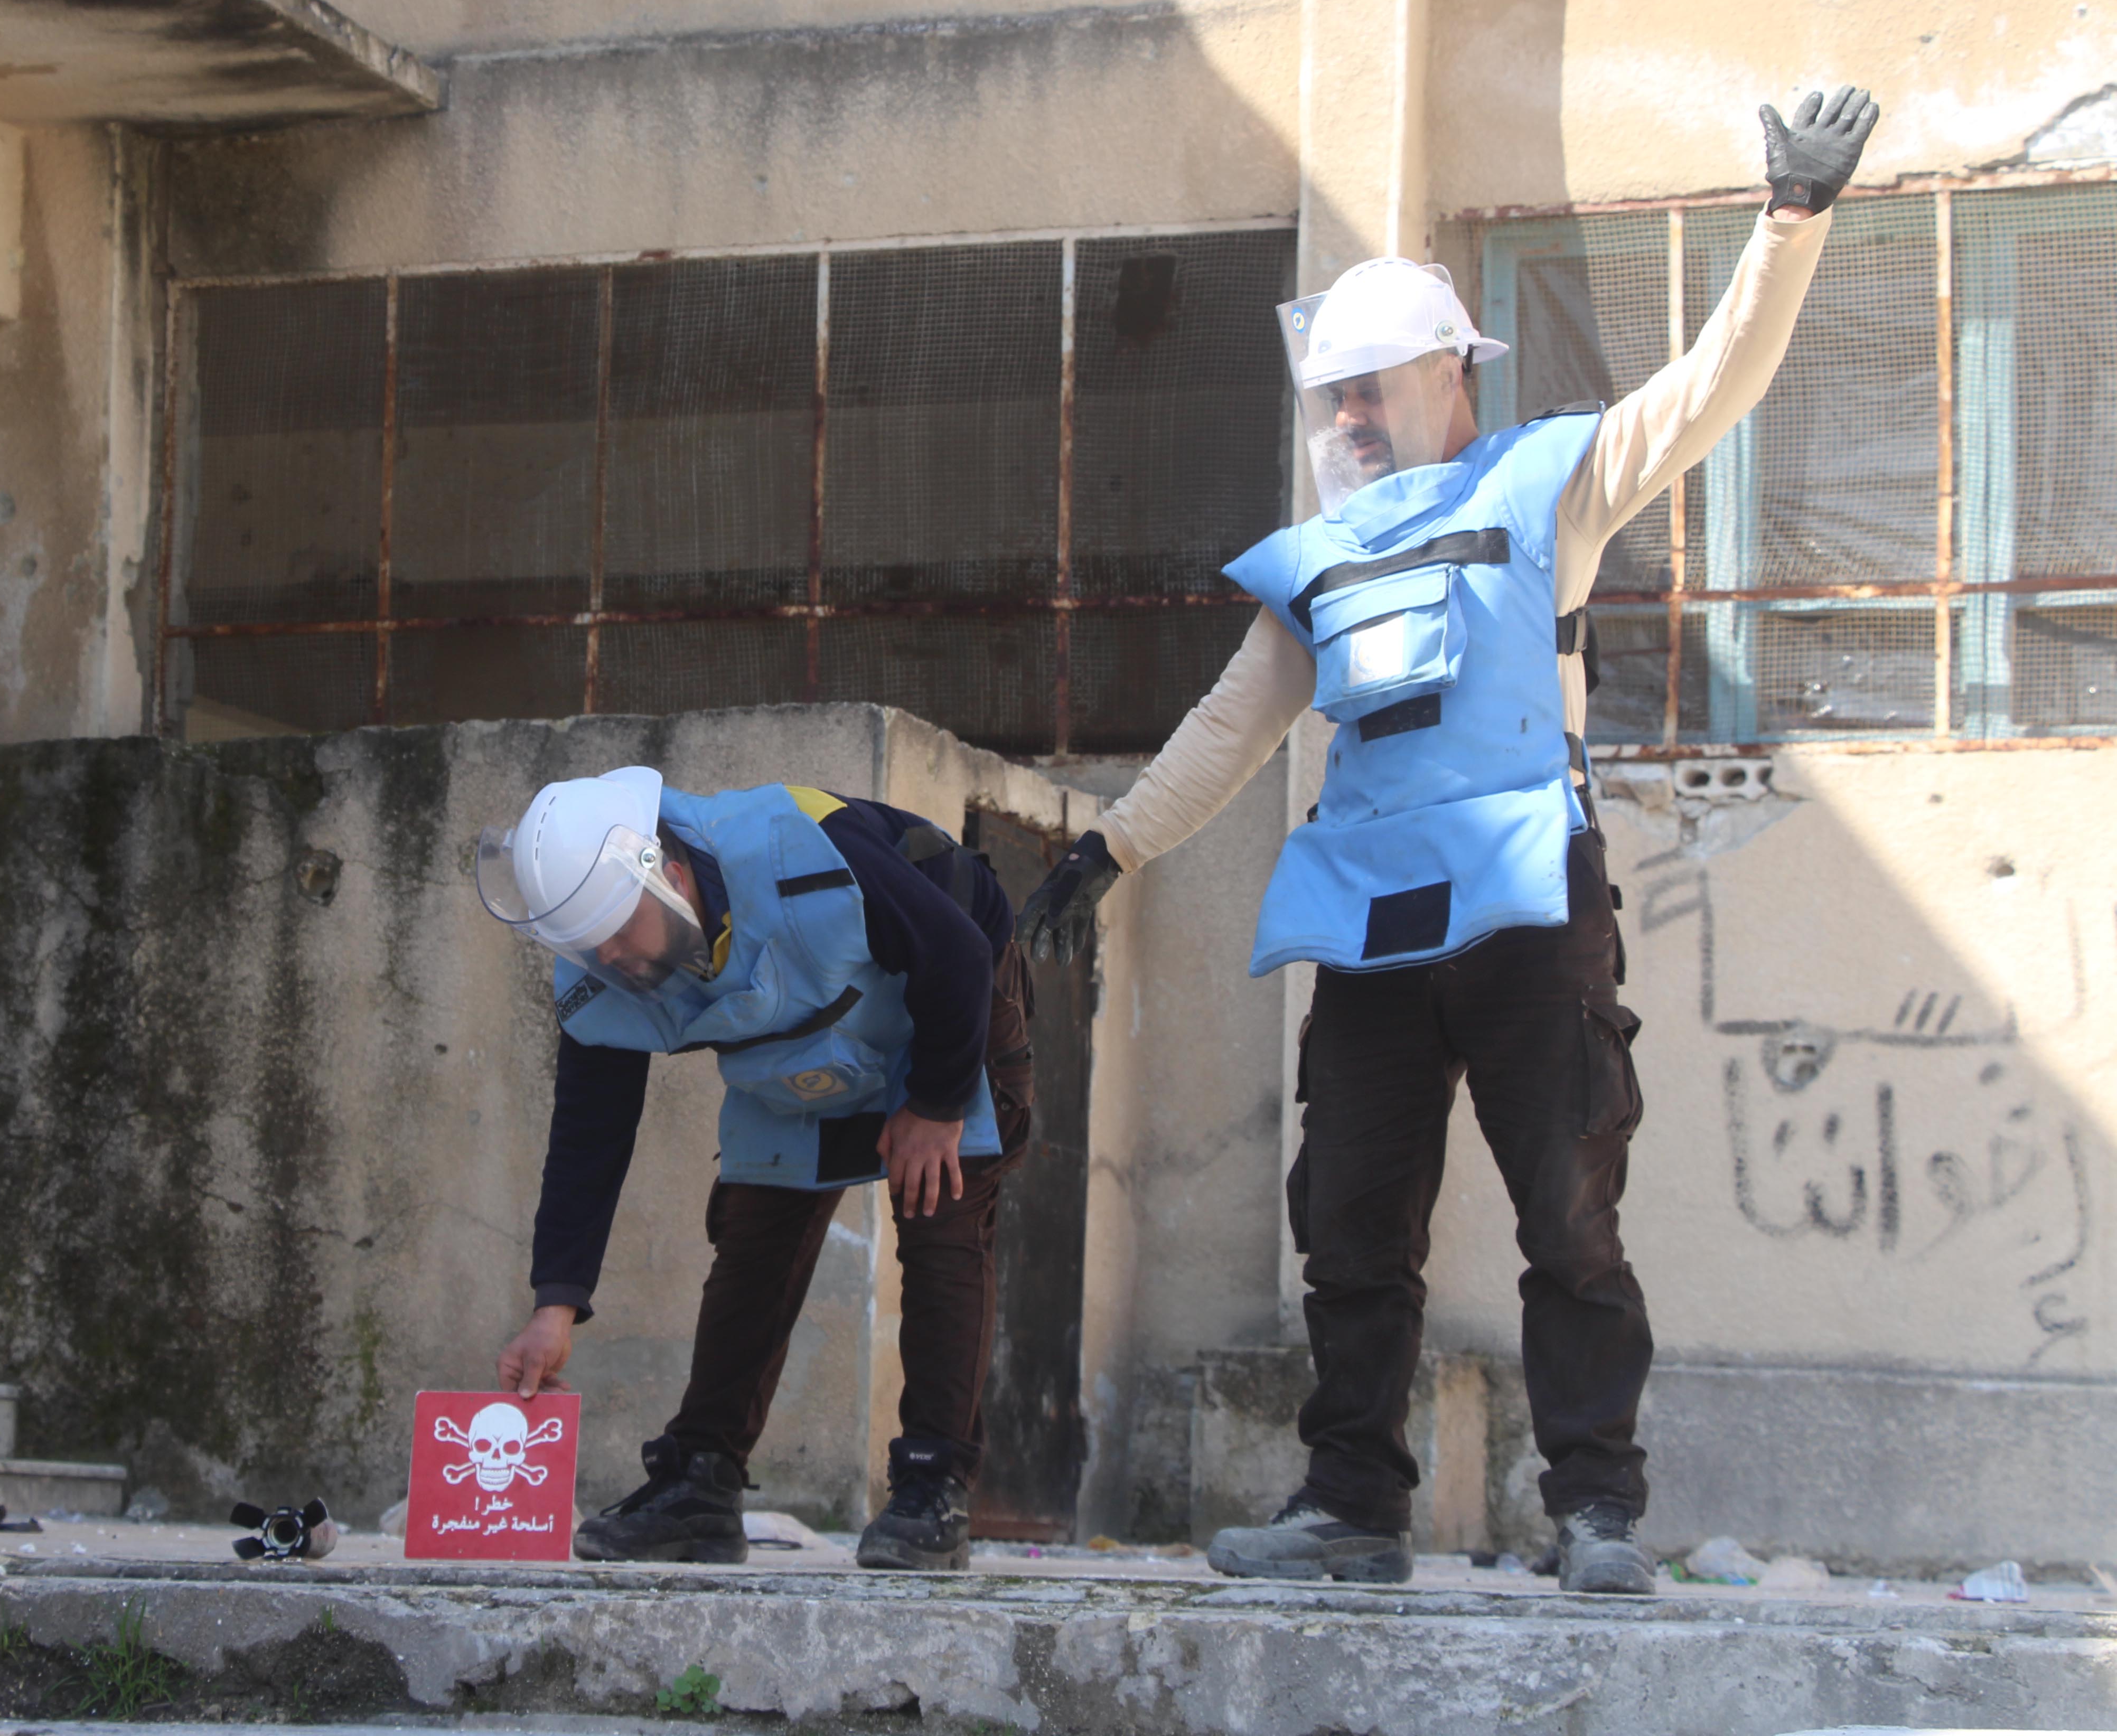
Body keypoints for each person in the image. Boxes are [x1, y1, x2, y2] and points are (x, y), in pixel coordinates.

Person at [1015, 88, 1882, 1594]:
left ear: (1447, 378)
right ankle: (1352, 1509)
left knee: (1571, 1215)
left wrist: (1789, 224)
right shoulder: (1322, 562)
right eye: (1332, 396)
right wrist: (1113, 852)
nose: (1349, 420)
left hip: (1531, 898)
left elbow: (1712, 386)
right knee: (1347, 1225)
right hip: (1371, 921)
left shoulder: (1552, 484)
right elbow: (1235, 722)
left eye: (1374, 390)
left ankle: (1597, 1513)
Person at [478, 768, 1034, 1572]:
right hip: (794, 1032)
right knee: (754, 1234)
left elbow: (955, 951)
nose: (608, 957)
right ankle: (700, 1484)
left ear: (666, 875)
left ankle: (931, 1486)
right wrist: (555, 1305)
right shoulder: (604, 964)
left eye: (616, 929)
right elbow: (588, 1132)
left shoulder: (803, 853)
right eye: (583, 945)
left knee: (940, 1212)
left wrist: (939, 1104)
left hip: (940, 993)